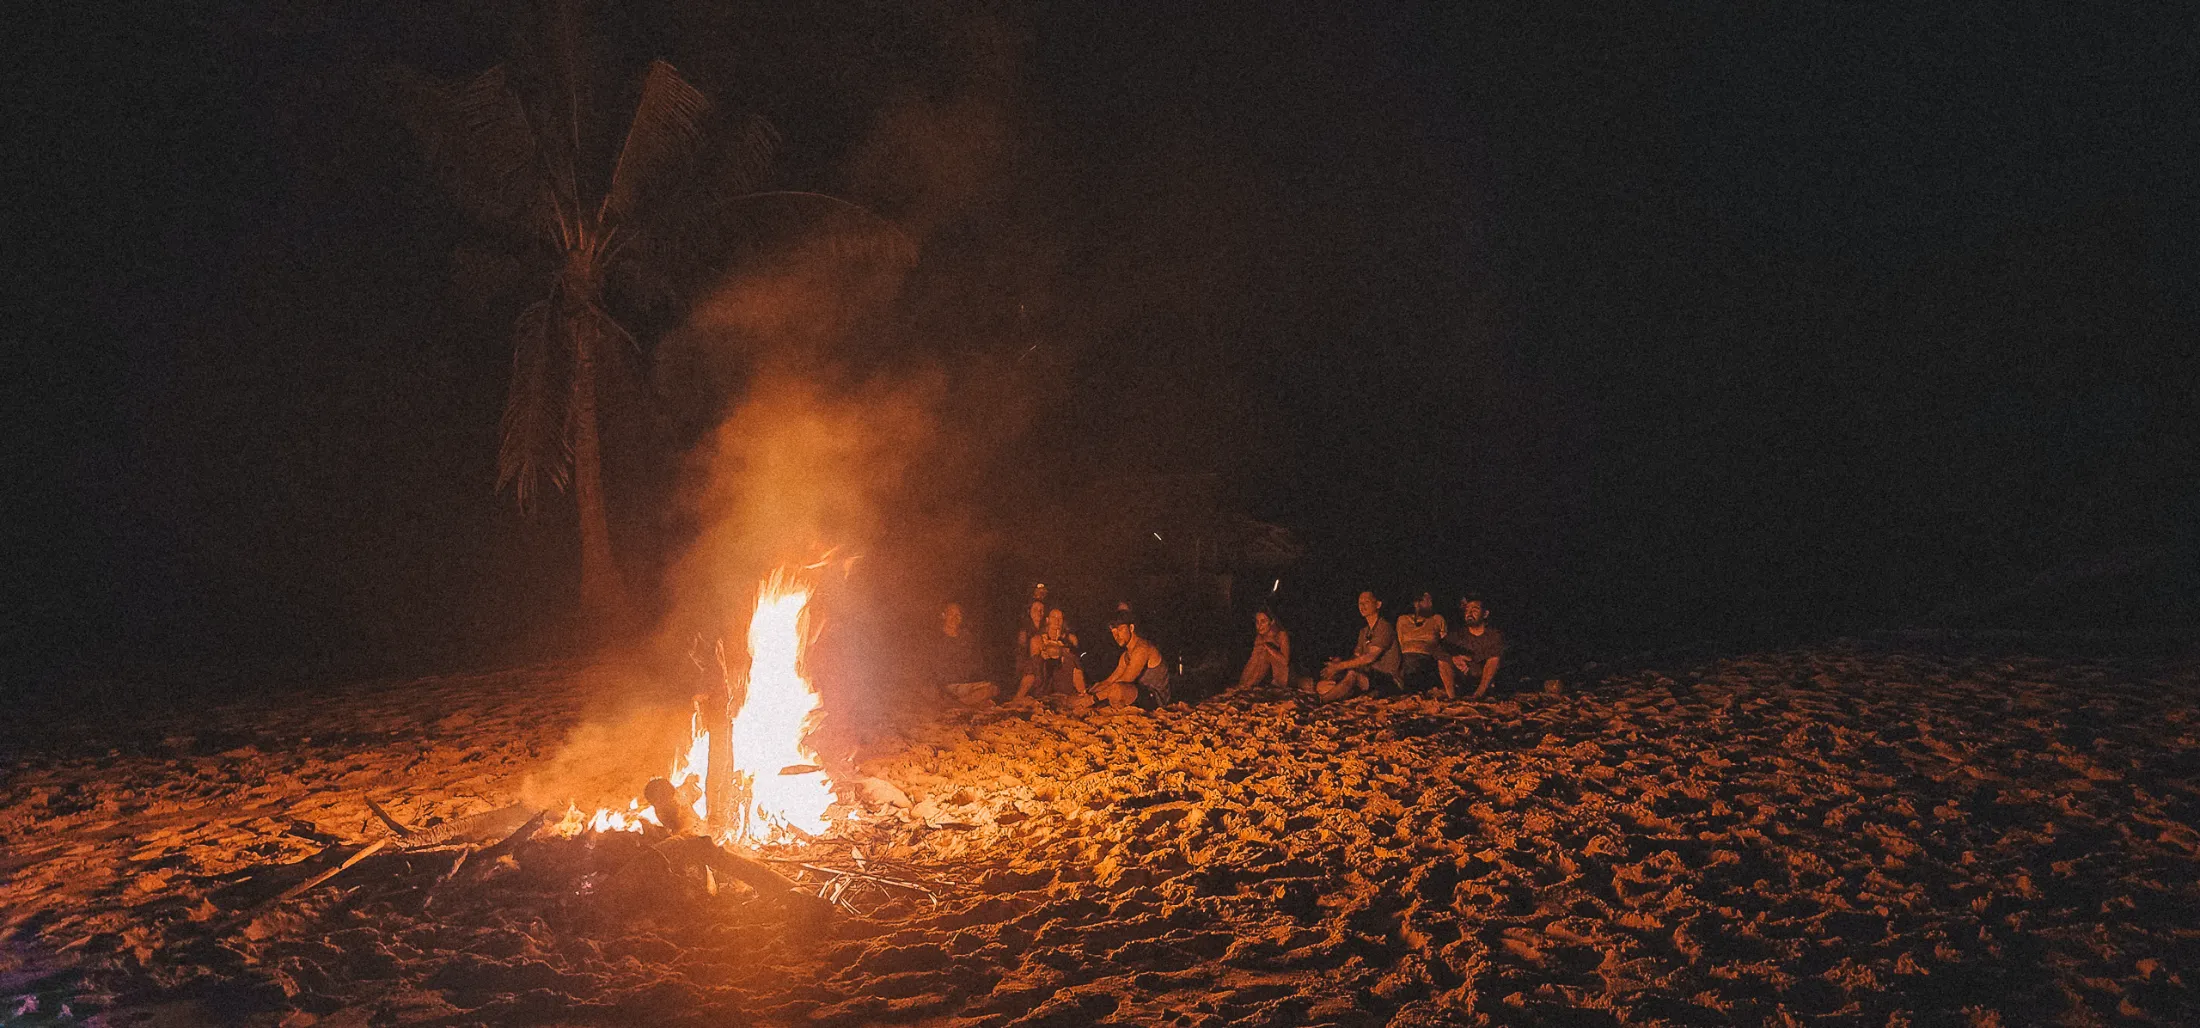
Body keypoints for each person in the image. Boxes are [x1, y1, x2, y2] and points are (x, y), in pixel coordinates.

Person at [1315, 591, 1400, 702]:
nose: (1362, 606)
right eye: (1360, 603)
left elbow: (1370, 657)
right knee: (1328, 680)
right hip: (1370, 677)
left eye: (1367, 602)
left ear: (1378, 604)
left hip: (1389, 679)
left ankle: (1323, 700)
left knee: (1352, 674)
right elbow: (1356, 657)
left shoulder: (1384, 627)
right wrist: (1338, 663)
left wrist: (1339, 666)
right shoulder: (1364, 631)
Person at [1080, 613, 1169, 710]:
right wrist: (1090, 692)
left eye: (1120, 630)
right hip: (1137, 695)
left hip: (1156, 700)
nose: (1116, 636)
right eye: (1113, 632)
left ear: (1131, 628)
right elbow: (1110, 680)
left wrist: (1092, 699)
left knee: (1117, 690)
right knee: (1102, 687)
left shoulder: (1142, 649)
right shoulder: (1125, 656)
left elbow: (1125, 680)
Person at [930, 603, 997, 706]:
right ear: (943, 615)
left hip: (965, 684)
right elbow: (935, 667)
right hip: (948, 685)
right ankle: (961, 704)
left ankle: (959, 704)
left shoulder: (966, 637)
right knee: (985, 698)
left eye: (958, 615)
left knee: (993, 689)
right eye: (951, 614)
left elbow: (975, 662)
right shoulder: (937, 638)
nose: (955, 618)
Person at [1394, 591, 1453, 695]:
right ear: (1416, 602)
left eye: (1431, 600)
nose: (1430, 603)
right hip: (1407, 657)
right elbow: (1401, 642)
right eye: (1427, 600)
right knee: (1406, 665)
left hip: (1428, 658)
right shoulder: (1402, 620)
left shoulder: (1437, 619)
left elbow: (1445, 643)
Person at [1445, 597, 1505, 699]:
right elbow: (1438, 649)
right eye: (1467, 610)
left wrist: (1470, 659)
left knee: (1494, 660)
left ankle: (1478, 695)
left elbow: (1495, 656)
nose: (1469, 613)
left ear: (1485, 614)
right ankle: (1451, 697)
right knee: (1443, 660)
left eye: (1474, 610)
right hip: (1463, 675)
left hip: (1483, 676)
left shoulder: (1494, 635)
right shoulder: (1457, 634)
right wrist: (1454, 657)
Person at [1025, 607, 1086, 699]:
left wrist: (1060, 651)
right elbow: (1034, 665)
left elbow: (1076, 661)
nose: (1057, 621)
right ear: (1047, 620)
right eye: (1054, 617)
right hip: (1045, 678)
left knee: (1071, 658)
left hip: (1064, 679)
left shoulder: (1071, 639)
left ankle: (1082, 693)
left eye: (1060, 618)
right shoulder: (1037, 639)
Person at [1235, 608, 1292, 690]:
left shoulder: (1282, 635)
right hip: (1267, 676)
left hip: (1285, 676)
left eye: (1263, 621)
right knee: (1259, 655)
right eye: (1257, 622)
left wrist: (1268, 648)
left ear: (1271, 622)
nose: (1259, 626)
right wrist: (1243, 682)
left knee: (1265, 652)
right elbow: (1252, 661)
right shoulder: (1260, 637)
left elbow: (1285, 661)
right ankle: (1245, 685)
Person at [1011, 598, 1047, 699]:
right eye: (1035, 609)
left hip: (1044, 665)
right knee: (1030, 673)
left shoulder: (1045, 629)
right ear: (1029, 611)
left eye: (1041, 610)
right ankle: (1017, 698)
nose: (1039, 613)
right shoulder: (1024, 631)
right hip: (1029, 667)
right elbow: (1020, 652)